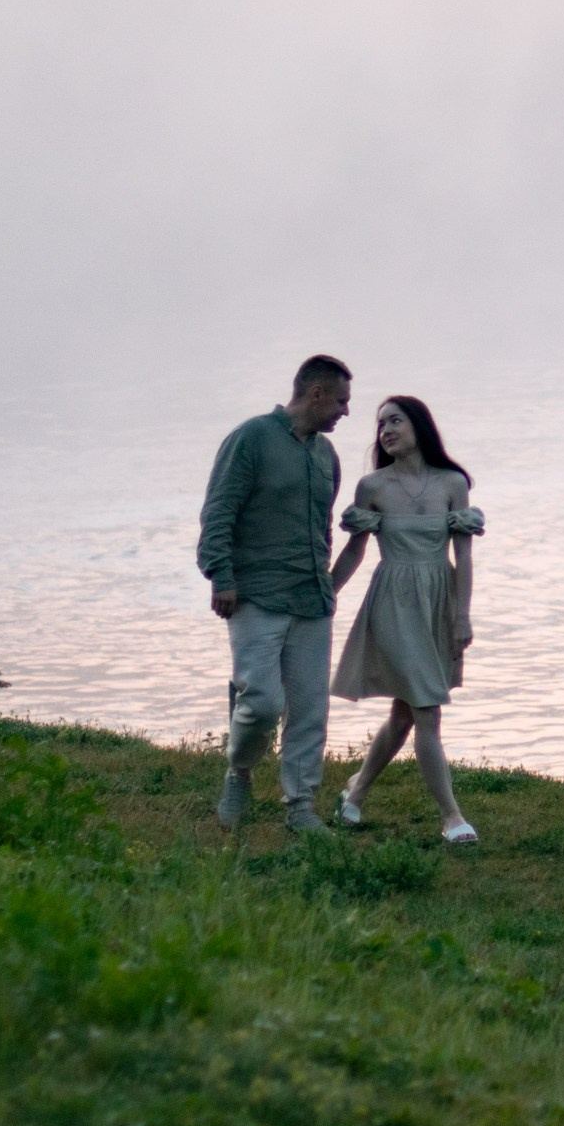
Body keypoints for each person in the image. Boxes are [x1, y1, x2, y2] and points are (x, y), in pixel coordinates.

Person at [196, 353, 352, 832]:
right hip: (254, 594)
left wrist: (327, 581)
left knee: (309, 710)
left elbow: (323, 527)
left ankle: (300, 807)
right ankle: (239, 772)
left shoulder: (326, 456)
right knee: (263, 702)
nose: (346, 412)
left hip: (311, 601)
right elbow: (219, 510)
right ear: (316, 393)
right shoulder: (252, 438)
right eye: (342, 401)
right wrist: (220, 575)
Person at [328, 395, 485, 844]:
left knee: (404, 714)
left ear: (419, 425)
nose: (385, 431)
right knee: (426, 709)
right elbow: (356, 550)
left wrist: (462, 616)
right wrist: (326, 593)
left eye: (395, 421)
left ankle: (355, 791)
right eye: (380, 425)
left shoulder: (452, 482)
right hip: (392, 601)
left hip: (438, 599)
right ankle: (452, 817)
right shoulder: (372, 486)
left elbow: (464, 556)